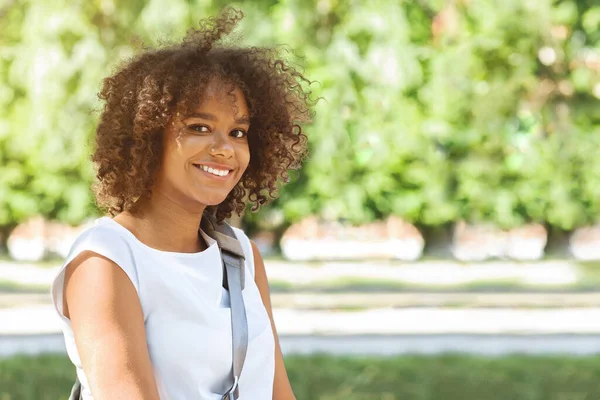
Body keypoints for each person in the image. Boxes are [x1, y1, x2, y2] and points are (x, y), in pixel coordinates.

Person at [50, 8, 312, 400]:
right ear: (148, 135)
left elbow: (277, 392)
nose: (224, 149)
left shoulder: (241, 256)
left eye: (238, 132)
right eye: (199, 127)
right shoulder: (105, 262)